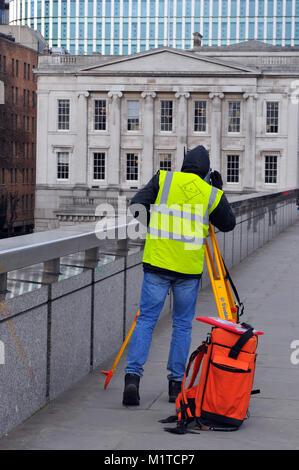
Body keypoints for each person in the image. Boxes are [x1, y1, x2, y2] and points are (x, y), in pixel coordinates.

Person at [123, 145, 236, 406]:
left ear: (184, 164)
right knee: (182, 325)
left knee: (146, 321)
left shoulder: (164, 179)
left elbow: (136, 207)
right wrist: (219, 191)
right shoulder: (209, 193)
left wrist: (157, 223)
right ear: (207, 171)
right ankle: (175, 385)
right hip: (188, 270)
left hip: (157, 264)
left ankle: (132, 379)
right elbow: (228, 224)